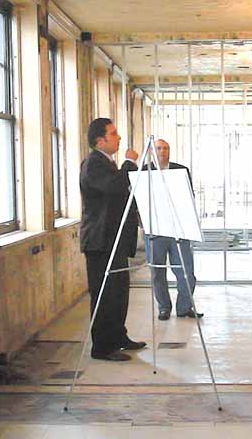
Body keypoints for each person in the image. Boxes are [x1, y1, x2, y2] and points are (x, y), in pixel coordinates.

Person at [80, 118, 146, 361]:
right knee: (104, 294)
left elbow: (122, 194)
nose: (118, 137)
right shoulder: (93, 164)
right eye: (113, 133)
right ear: (100, 140)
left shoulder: (107, 163)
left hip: (114, 240)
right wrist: (129, 163)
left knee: (119, 291)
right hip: (100, 241)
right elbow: (114, 187)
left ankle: (118, 336)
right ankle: (102, 347)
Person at [142, 139, 201, 321]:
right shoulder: (145, 171)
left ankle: (184, 307)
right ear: (152, 151)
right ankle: (163, 307)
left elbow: (189, 195)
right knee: (157, 271)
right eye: (159, 148)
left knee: (186, 271)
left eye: (166, 148)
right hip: (154, 230)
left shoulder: (180, 170)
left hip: (179, 228)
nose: (163, 151)